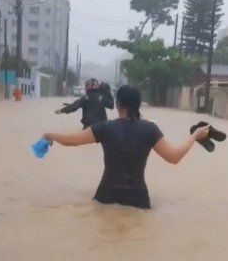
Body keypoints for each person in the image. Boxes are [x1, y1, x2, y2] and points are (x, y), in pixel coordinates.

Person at [42, 85, 210, 209]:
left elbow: (72, 140)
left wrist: (50, 135)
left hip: (106, 196)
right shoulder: (150, 129)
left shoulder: (104, 127)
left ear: (118, 104)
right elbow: (174, 157)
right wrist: (195, 136)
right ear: (138, 105)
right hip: (138, 199)